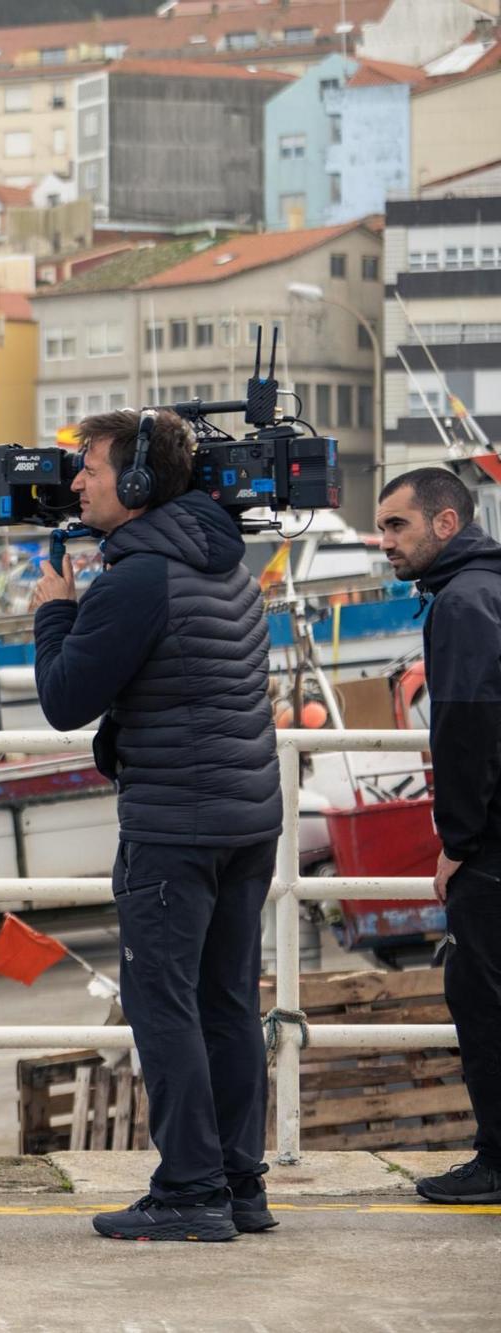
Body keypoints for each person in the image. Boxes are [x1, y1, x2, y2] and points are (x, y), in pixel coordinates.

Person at [30, 408, 278, 1242]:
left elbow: (66, 698)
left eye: (90, 468)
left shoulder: (137, 578)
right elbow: (188, 690)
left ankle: (190, 1191)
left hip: (176, 827)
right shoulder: (227, 567)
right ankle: (241, 1184)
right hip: (247, 819)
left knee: (162, 1005)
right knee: (228, 1004)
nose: (75, 483)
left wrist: (55, 610)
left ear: (135, 483)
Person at [374, 467, 501, 1205]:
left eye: (398, 526)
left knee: (480, 999)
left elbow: (466, 724)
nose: (383, 541)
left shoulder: (463, 602)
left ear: (445, 525)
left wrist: (456, 840)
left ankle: (496, 1160)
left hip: (491, 847)